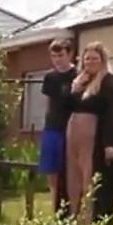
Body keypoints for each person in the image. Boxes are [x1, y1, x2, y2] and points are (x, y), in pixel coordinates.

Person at [66, 42, 113, 225]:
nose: (90, 61)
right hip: (73, 137)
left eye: (94, 58)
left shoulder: (110, 82)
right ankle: (75, 222)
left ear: (102, 60)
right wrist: (74, 88)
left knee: (90, 180)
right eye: (87, 58)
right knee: (74, 181)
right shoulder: (79, 82)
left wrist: (111, 144)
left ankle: (92, 224)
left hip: (94, 138)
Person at [39, 38, 79, 215]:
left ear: (69, 54)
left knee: (69, 171)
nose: (57, 59)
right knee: (51, 171)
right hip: (52, 128)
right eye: (54, 56)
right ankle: (55, 208)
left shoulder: (77, 75)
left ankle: (72, 209)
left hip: (69, 128)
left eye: (60, 55)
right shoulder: (50, 77)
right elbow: (48, 102)